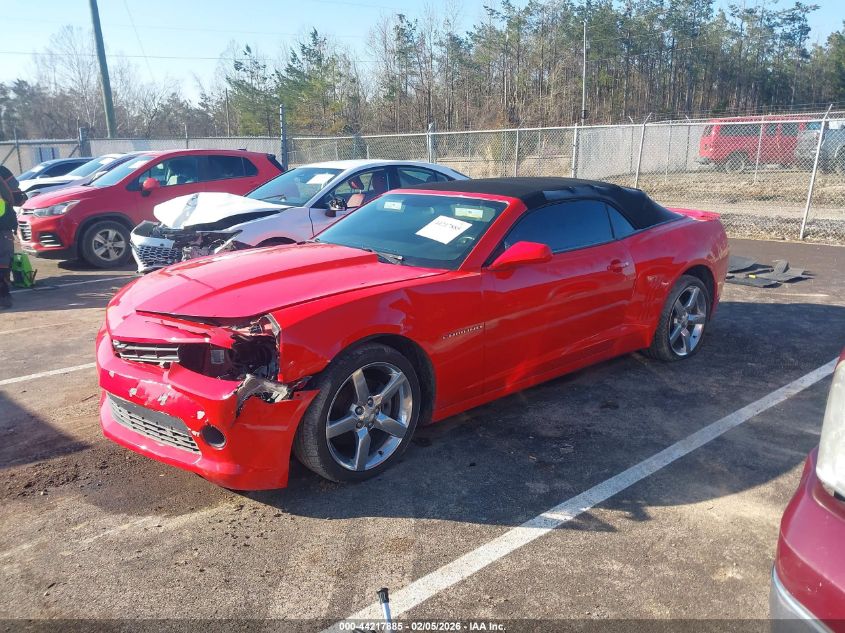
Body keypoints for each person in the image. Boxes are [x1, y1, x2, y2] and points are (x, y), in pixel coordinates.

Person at [0, 165, 26, 309]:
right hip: (2, 224)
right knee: (3, 260)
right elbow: (15, 196)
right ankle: (3, 295)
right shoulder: (2, 171)